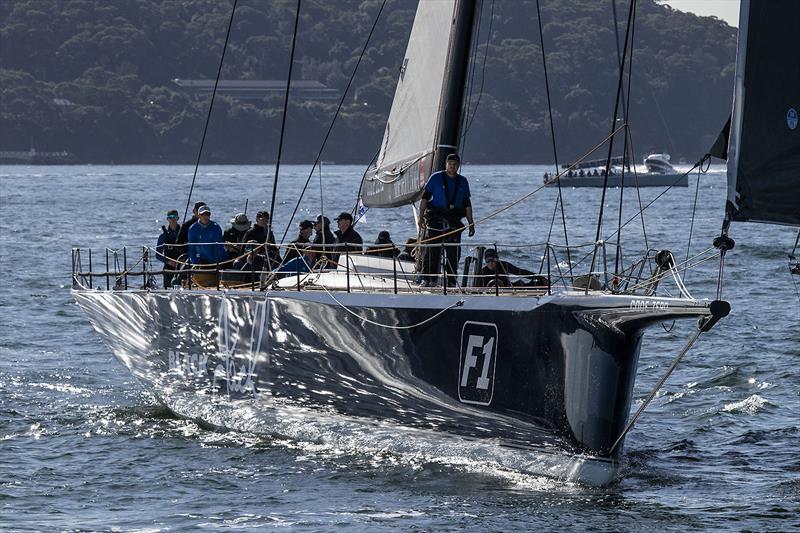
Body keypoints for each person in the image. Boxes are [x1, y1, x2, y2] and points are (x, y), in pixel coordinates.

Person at [417, 153, 474, 286]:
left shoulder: (463, 181)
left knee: (453, 253)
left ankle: (451, 281)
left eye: (455, 165)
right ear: (446, 164)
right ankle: (427, 279)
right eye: (450, 164)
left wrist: (471, 223)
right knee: (432, 249)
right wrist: (420, 217)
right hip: (436, 218)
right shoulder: (436, 178)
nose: (452, 167)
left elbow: (467, 203)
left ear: (458, 166)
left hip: (454, 220)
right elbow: (425, 197)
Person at [476, 249, 547, 288]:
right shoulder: (483, 272)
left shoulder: (504, 265)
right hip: (489, 294)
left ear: (497, 259)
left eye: (493, 260)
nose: (490, 263)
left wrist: (540, 277)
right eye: (488, 261)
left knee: (528, 284)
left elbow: (520, 272)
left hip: (508, 290)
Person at [155, 209, 182, 288]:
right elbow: (158, 255)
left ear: (178, 218)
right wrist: (168, 261)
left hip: (182, 266)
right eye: (170, 217)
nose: (172, 219)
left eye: (175, 217)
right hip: (168, 267)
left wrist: (182, 262)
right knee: (167, 289)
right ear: (167, 219)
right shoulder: (163, 236)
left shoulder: (183, 233)